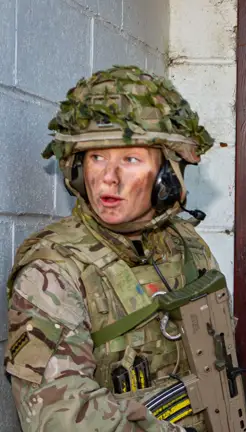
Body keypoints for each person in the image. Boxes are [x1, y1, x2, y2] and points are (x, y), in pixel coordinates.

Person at [3, 66, 222, 432]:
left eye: (130, 159)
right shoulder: (53, 270)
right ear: (76, 169)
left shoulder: (188, 245)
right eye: (97, 157)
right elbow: (60, 416)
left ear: (167, 175)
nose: (108, 177)